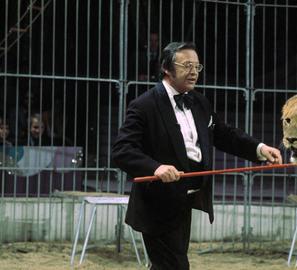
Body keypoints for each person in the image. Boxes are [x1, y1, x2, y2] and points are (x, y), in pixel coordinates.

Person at [112, 42, 283, 270]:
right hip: (157, 204)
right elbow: (122, 150)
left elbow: (223, 134)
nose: (193, 72)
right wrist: (156, 168)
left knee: (166, 265)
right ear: (166, 68)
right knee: (176, 266)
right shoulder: (144, 105)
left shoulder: (199, 101)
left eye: (197, 66)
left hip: (185, 201)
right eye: (186, 65)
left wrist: (259, 149)